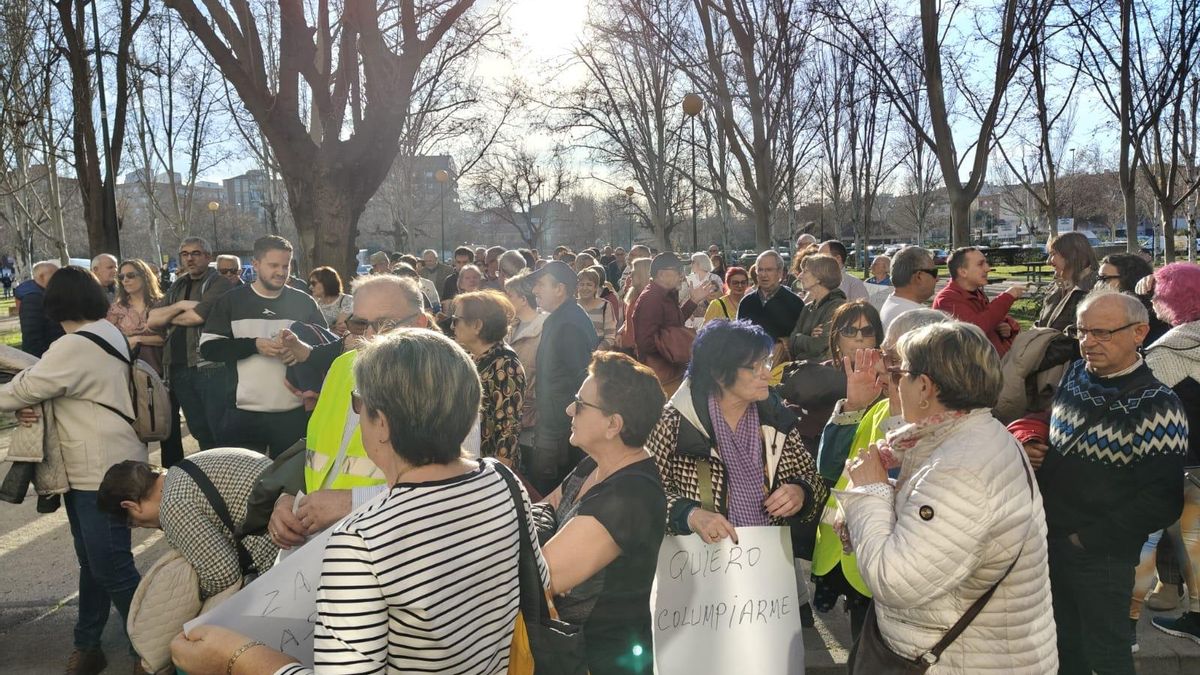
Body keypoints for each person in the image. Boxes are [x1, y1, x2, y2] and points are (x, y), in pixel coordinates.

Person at [172, 329, 547, 675]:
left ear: (380, 422)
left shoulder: (362, 540)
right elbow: (537, 583)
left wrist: (237, 655)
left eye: (357, 403)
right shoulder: (502, 480)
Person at [840, 321, 1057, 672]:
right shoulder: (965, 434)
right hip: (975, 650)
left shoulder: (961, 468)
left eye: (900, 373)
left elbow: (895, 580)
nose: (895, 381)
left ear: (925, 386)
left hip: (958, 661)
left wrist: (871, 491)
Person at [0, 267, 147, 675]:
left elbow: (26, 388)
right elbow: (57, 390)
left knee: (111, 567)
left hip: (95, 469)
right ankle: (89, 644)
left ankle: (151, 648)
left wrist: (24, 400)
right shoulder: (105, 332)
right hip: (100, 462)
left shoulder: (75, 345)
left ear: (55, 304)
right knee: (95, 564)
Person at [1032, 291, 1186, 674]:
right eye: (1082, 331)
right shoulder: (1075, 373)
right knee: (1063, 647)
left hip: (1101, 558)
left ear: (1140, 332)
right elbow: (1056, 429)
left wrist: (1086, 540)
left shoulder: (1156, 404)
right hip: (1050, 543)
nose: (1087, 342)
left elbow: (1162, 501)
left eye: (1101, 333)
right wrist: (1037, 445)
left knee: (1107, 655)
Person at [809, 308, 949, 640]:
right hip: (856, 566)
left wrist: (900, 415)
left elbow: (906, 486)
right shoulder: (880, 405)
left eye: (890, 356)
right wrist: (854, 406)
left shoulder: (943, 420)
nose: (879, 363)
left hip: (899, 579)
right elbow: (828, 468)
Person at [534, 352, 667, 674]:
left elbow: (540, 576)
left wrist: (544, 541)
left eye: (579, 404)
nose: (569, 409)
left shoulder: (629, 494)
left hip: (600, 659)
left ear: (613, 424)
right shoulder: (595, 464)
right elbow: (541, 511)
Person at [645, 319, 828, 544]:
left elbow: (813, 479)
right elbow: (645, 496)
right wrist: (690, 515)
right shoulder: (672, 423)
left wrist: (801, 492)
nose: (767, 374)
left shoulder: (776, 418)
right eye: (755, 367)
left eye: (767, 362)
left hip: (765, 558)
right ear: (719, 374)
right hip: (697, 566)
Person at [200, 235, 326, 457]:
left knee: (290, 486)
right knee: (241, 487)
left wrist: (300, 352)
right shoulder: (230, 301)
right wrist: (254, 345)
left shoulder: (304, 302)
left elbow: (325, 349)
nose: (281, 271)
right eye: (274, 265)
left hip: (294, 414)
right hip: (243, 413)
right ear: (256, 265)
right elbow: (209, 348)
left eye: (286, 266)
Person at [97, 451, 278, 599]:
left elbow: (222, 575)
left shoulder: (173, 504)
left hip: (280, 558)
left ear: (130, 506)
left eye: (133, 523)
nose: (143, 526)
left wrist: (189, 597)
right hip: (292, 526)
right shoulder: (184, 468)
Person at [1135, 263, 1200, 645]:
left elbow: (1146, 405)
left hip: (1184, 461)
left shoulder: (1165, 351)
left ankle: (1132, 622)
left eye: (1158, 295)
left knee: (1183, 542)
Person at [147, 237, 235, 453]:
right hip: (178, 367)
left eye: (195, 253)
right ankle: (210, 475)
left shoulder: (219, 282)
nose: (190, 258)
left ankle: (226, 475)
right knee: (199, 430)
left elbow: (196, 317)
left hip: (208, 367)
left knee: (219, 430)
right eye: (185, 254)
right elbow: (152, 320)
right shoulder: (179, 284)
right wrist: (181, 305)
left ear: (208, 257)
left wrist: (169, 315)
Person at [527, 260, 600, 495]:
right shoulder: (560, 318)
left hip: (562, 431)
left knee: (556, 496)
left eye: (540, 285)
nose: (535, 291)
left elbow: (583, 379)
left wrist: (570, 426)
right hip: (557, 425)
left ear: (560, 289)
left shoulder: (568, 323)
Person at [452, 290, 526, 466]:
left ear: (477, 325)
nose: (452, 326)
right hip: (470, 464)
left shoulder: (506, 364)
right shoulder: (472, 357)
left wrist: (498, 474)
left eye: (456, 320)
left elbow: (509, 428)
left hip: (489, 472)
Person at [631, 253, 714, 393]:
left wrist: (693, 301)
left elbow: (675, 322)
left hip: (672, 373)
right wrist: (680, 342)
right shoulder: (652, 298)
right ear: (662, 274)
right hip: (661, 379)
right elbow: (645, 342)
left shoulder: (666, 294)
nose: (682, 275)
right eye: (678, 271)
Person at [932, 246, 1024, 356]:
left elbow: (992, 319)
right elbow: (976, 328)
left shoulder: (976, 293)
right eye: (981, 264)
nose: (987, 269)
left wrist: (1006, 328)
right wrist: (1007, 297)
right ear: (963, 272)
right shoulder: (947, 299)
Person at [507, 273, 547, 468]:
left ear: (523, 299)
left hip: (533, 414)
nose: (506, 300)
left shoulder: (544, 326)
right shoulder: (510, 327)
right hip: (512, 410)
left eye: (510, 296)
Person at [107, 259, 166, 378]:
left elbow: (169, 338)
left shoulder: (162, 304)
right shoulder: (116, 309)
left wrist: (138, 339)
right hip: (128, 373)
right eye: (121, 277)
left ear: (144, 276)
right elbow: (109, 342)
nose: (125, 280)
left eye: (131, 275)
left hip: (162, 372)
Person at [788, 253, 848, 362]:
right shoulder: (807, 308)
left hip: (824, 373)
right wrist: (808, 336)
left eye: (805, 271)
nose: (800, 276)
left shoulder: (838, 306)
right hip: (803, 368)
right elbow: (791, 344)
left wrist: (800, 336)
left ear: (819, 277)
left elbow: (818, 346)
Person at [1098, 253, 1169, 343]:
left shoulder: (1155, 316)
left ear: (1128, 279)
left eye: (1105, 278)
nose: (1099, 284)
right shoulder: (1105, 309)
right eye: (1099, 278)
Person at [737, 250, 805, 341]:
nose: (764, 274)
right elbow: (739, 337)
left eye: (769, 270)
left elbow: (801, 338)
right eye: (760, 270)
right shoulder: (746, 302)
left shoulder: (795, 303)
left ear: (780, 273)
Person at [879, 246, 938, 332]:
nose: (937, 279)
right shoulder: (915, 318)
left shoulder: (896, 306)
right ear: (919, 276)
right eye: (934, 273)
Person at [15, 259, 63, 357]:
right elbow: (32, 337)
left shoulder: (46, 295)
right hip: (43, 358)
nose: (59, 279)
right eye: (55, 275)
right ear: (42, 277)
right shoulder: (33, 299)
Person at [577, 268, 618, 350]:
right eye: (582, 284)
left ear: (596, 287)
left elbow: (610, 336)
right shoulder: (572, 305)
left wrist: (598, 350)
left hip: (598, 355)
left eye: (589, 285)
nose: (585, 288)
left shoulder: (605, 306)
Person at [683, 252, 723, 328]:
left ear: (700, 263)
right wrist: (688, 312)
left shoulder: (714, 278)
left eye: (693, 262)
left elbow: (720, 298)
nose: (691, 265)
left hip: (710, 317)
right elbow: (684, 298)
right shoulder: (689, 279)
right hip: (691, 319)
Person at [307, 266, 353, 333]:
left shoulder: (348, 301)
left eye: (314, 283)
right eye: (310, 284)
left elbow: (340, 327)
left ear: (327, 282)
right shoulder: (315, 305)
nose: (310, 287)